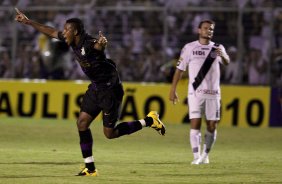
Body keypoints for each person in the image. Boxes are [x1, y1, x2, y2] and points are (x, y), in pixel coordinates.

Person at [15, 8, 166, 176]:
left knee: (110, 133)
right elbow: (50, 31)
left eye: (67, 30)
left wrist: (102, 43)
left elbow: (99, 46)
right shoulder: (71, 41)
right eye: (64, 29)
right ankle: (90, 168)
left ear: (76, 31)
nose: (64, 33)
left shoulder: (89, 43)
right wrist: (28, 21)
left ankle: (149, 120)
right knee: (82, 123)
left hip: (110, 89)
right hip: (95, 87)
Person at [169, 20, 229, 165]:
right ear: (199, 30)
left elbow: (227, 62)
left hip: (214, 93)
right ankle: (196, 156)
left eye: (211, 29)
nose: (208, 31)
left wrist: (224, 56)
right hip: (195, 92)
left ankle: (205, 155)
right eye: (206, 28)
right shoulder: (189, 48)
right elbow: (179, 70)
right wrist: (173, 90)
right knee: (195, 123)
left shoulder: (217, 48)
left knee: (212, 125)